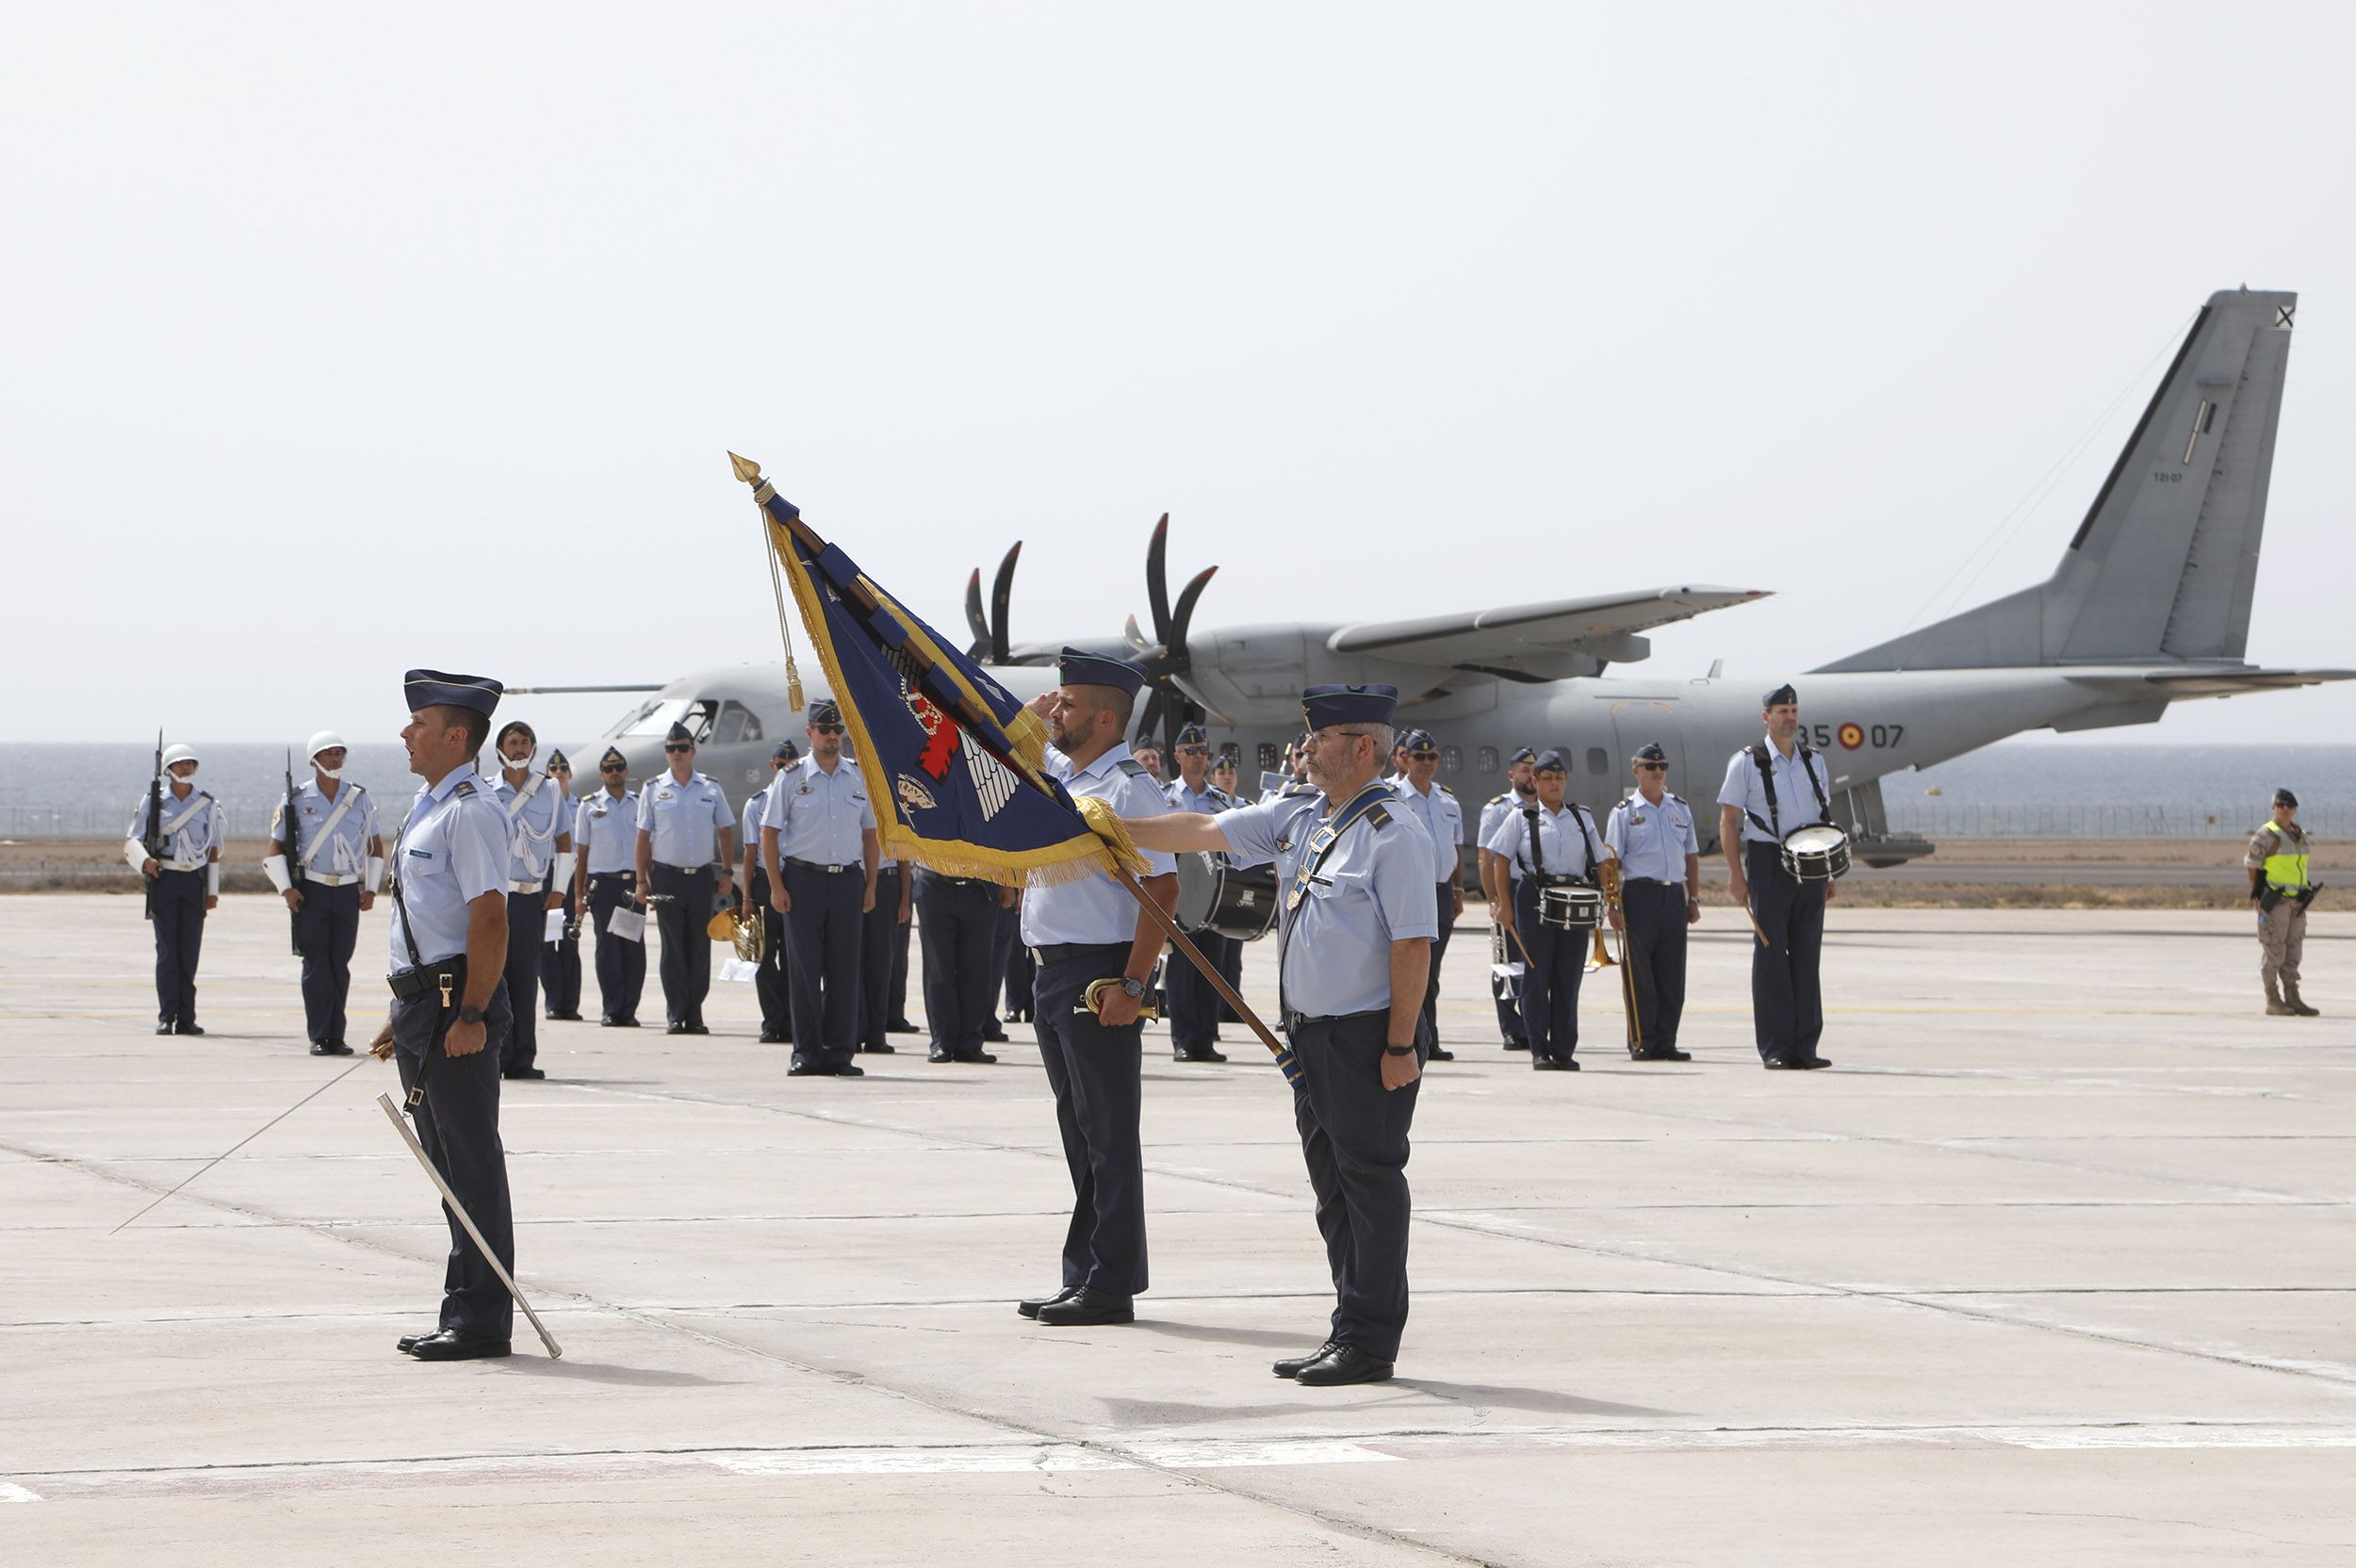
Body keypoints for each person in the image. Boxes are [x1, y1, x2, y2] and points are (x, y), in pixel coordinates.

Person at [1121, 682, 1435, 1386]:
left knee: (1369, 1185)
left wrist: (1398, 1047)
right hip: (1310, 1037)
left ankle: (1370, 1339)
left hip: (1365, 1039)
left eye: (1321, 738)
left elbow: (1413, 946)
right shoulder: (1305, 817)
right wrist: (1116, 831)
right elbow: (1203, 832)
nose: (1306, 749)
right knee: (1332, 1190)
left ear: (1360, 748)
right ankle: (1348, 1326)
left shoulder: (1394, 832)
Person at [1014, 649, 1177, 1329]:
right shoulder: (1060, 771)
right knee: (1079, 1131)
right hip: (1053, 970)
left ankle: (1112, 1281)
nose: (1059, 712)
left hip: (1099, 972)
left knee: (1107, 1131)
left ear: (1107, 717)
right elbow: (1000, 754)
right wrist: (1031, 714)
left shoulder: (1127, 789)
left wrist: (1135, 982)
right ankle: (1086, 1272)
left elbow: (1164, 886)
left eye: (1070, 704)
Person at [370, 669, 517, 1361]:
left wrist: (472, 1012)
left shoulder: (469, 810)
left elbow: (489, 919)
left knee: (470, 1163)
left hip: (458, 1003)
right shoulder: (428, 806)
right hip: (426, 1004)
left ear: (456, 736)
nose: (407, 732)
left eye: (419, 724)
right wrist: (403, 1008)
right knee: (446, 1170)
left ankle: (482, 1320)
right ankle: (461, 1308)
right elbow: (426, 920)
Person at [1718, 683, 1836, 1070]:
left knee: (1807, 955)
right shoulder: (1747, 762)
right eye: (1782, 711)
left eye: (1794, 710)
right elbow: (1729, 820)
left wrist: (1829, 872)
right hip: (1770, 861)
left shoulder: (1813, 759)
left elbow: (1823, 816)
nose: (1790, 717)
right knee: (1771, 954)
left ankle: (1805, 1045)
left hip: (1812, 861)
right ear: (1766, 717)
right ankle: (1775, 1047)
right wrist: (1737, 875)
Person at [760, 699, 878, 1076]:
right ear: (809, 733)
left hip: (846, 879)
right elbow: (769, 833)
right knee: (804, 970)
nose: (832, 737)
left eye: (837, 731)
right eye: (824, 730)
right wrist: (776, 886)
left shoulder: (859, 775)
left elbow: (871, 834)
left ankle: (840, 1052)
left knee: (845, 970)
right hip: (802, 880)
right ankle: (807, 1051)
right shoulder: (792, 777)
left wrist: (871, 884)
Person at [263, 730, 384, 1056]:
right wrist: (286, 889)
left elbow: (375, 847)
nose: (336, 758)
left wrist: (371, 888)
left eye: (339, 753)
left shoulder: (359, 798)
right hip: (312, 890)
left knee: (339, 964)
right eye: (329, 753)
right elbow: (275, 848)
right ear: (314, 760)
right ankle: (320, 1034)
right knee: (316, 965)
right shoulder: (296, 799)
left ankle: (337, 1034)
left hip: (346, 890)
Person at [1482, 749, 1604, 1071]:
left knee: (1568, 977)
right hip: (1534, 897)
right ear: (1534, 781)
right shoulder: (1520, 817)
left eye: (1559, 778)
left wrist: (1607, 897)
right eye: (1547, 778)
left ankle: (1564, 1049)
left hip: (1575, 900)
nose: (1554, 784)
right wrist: (1504, 904)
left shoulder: (1582, 817)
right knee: (1537, 977)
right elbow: (1500, 858)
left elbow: (1600, 859)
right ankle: (1540, 1049)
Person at [635, 721, 735, 1037]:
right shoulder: (653, 789)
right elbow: (643, 838)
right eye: (670, 749)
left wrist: (728, 872)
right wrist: (642, 880)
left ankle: (695, 1013)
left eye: (682, 748)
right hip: (667, 877)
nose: (676, 754)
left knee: (699, 947)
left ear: (693, 751)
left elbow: (725, 831)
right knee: (673, 948)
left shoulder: (710, 788)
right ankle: (676, 1013)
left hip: (702, 876)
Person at [487, 721, 573, 1080]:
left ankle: (522, 1058)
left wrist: (559, 890)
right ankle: (493, 1057)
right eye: (513, 742)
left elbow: (565, 842)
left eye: (525, 742)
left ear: (533, 748)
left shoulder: (551, 791)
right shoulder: (484, 791)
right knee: (492, 979)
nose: (519, 748)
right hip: (494, 896)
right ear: (500, 749)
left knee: (525, 979)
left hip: (530, 898)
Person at [1604, 743, 1700, 1062]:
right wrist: (1613, 905)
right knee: (1639, 974)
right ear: (1636, 771)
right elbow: (1611, 862)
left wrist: (1693, 898)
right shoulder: (1624, 812)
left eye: (1662, 767)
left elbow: (1690, 855)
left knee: (1672, 973)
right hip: (1640, 895)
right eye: (1650, 767)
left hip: (1673, 895)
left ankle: (1666, 1040)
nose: (1657, 772)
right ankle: (1642, 1039)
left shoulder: (1679, 808)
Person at [125, 742, 224, 1037]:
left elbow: (214, 851)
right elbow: (132, 840)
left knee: (189, 952)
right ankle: (167, 1015)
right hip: (165, 879)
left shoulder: (207, 804)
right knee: (168, 952)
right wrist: (147, 863)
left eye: (190, 763)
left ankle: (187, 1018)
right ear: (168, 769)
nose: (186, 768)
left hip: (194, 881)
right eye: (180, 763)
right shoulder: (153, 802)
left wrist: (213, 890)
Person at [1160, 723, 1237, 1064]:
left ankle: (1205, 1039)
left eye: (1203, 752)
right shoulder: (1165, 797)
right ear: (1177, 756)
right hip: (1180, 893)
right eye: (1190, 752)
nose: (1198, 757)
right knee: (1180, 972)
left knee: (1212, 969)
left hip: (1214, 895)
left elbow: (1234, 847)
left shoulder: (1220, 800)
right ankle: (1183, 1040)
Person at [1386, 728, 1461, 1062]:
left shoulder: (1447, 800)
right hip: (1409, 890)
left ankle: (1427, 1039)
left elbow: (1454, 846)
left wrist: (1458, 890)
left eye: (1432, 757)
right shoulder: (1393, 797)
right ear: (1405, 759)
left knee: (1432, 971)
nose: (1426, 763)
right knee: (1413, 967)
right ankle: (1416, 1040)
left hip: (1441, 890)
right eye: (1419, 756)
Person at [573, 746, 646, 1027]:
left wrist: (647, 882)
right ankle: (611, 1008)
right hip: (603, 886)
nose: (614, 773)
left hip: (632, 885)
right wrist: (579, 894)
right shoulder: (589, 806)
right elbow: (582, 852)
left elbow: (647, 847)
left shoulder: (639, 803)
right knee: (608, 950)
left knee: (632, 950)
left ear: (626, 772)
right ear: (602, 774)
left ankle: (629, 1009)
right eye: (608, 769)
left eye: (619, 768)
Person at [915, 863, 1014, 1064]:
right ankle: (942, 1041)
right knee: (938, 969)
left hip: (980, 887)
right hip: (935, 884)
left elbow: (1000, 834)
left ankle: (971, 1042)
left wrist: (1008, 883)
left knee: (977, 969)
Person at [739, 740, 800, 1044]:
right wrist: (747, 897)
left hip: (796, 880)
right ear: (771, 766)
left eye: (789, 766)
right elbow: (751, 853)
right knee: (763, 958)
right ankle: (772, 1020)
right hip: (765, 883)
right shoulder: (757, 804)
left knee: (794, 958)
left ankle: (791, 1021)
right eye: (779, 765)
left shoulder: (803, 797)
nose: (782, 771)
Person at [1479, 746, 1539, 1050]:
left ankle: (1534, 1022)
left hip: (1538, 890)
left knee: (1535, 962)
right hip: (1509, 887)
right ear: (1512, 775)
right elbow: (1485, 858)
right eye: (1525, 771)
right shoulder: (1498, 809)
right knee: (1507, 962)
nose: (1531, 776)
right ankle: (1512, 1028)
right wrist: (1494, 900)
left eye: (1534, 770)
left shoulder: (1547, 808)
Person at [2248, 788, 2321, 1017]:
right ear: (2273, 808)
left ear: (2295, 809)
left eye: (2290, 806)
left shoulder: (2297, 834)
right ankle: (2273, 998)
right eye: (2281, 805)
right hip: (2276, 902)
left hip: (2297, 902)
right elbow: (2252, 865)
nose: (2285, 809)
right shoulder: (2266, 835)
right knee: (2274, 951)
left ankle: (2292, 996)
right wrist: (2257, 896)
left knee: (2293, 952)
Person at [540, 750, 584, 1023]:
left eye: (562, 770)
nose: (558, 774)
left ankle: (570, 1004)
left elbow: (585, 848)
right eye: (553, 770)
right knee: (546, 944)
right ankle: (554, 1002)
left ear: (568, 775)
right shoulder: (541, 806)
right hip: (547, 878)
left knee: (570, 943)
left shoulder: (582, 807)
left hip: (571, 878)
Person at [858, 840, 912, 1056]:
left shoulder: (891, 807)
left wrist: (904, 900)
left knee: (881, 966)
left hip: (887, 884)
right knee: (851, 964)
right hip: (853, 880)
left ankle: (876, 1035)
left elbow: (903, 857)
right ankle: (851, 1033)